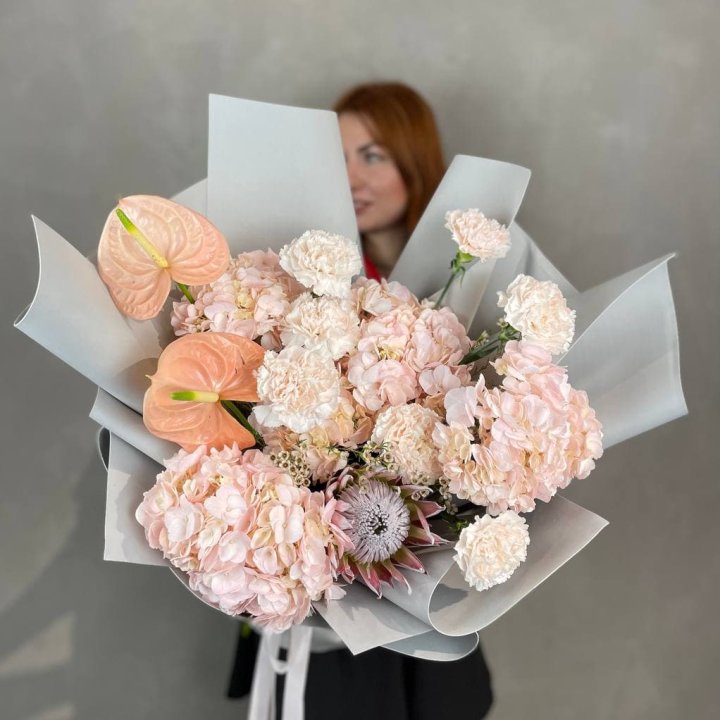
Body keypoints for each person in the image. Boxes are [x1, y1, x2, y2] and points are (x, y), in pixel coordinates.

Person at [228, 82, 494, 719]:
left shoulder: (466, 302)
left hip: (410, 598)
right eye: (338, 157)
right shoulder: (306, 295)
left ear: (415, 162)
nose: (350, 177)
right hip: (321, 608)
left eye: (372, 155)